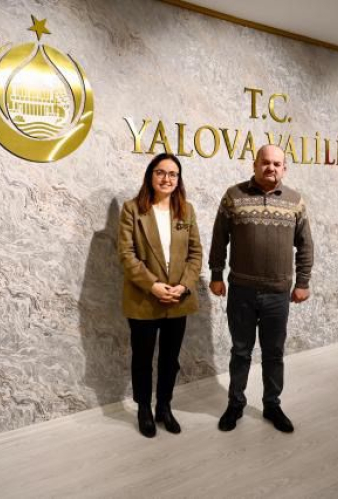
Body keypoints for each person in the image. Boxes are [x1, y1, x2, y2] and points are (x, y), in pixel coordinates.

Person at [209, 144, 314, 433]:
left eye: (277, 164)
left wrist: (303, 282)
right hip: (241, 290)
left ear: (284, 169)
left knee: (273, 353)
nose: (271, 168)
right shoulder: (233, 196)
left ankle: (272, 405)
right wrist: (216, 274)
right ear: (254, 165)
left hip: (278, 294)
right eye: (265, 162)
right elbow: (219, 238)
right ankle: (235, 404)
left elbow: (305, 245)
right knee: (241, 351)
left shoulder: (295, 201)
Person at [118, 153, 203, 438]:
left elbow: (195, 253)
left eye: (173, 174)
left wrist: (184, 285)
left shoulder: (186, 211)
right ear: (150, 175)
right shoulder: (132, 209)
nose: (167, 178)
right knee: (142, 358)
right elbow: (126, 254)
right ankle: (144, 408)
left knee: (170, 359)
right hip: (144, 298)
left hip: (178, 298)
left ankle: (164, 407)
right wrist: (153, 285)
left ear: (179, 180)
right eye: (160, 172)